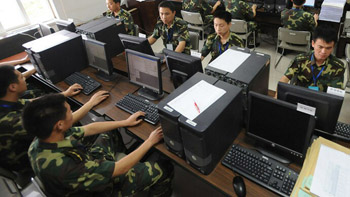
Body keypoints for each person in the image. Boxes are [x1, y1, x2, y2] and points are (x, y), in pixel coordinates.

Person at [23, 93, 173, 196]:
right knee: (164, 168)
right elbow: (120, 168)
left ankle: (129, 159)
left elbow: (89, 128)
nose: (72, 113)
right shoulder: (65, 166)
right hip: (101, 191)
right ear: (60, 124)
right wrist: (149, 141)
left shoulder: (43, 139)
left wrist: (125, 122)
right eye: (69, 111)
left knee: (110, 133)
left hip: (88, 165)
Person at [0, 65, 109, 174]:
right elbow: (64, 121)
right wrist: (91, 103)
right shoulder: (11, 121)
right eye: (21, 77)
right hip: (36, 162)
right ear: (12, 87)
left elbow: (33, 103)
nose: (24, 78)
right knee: (103, 132)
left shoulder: (5, 101)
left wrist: (64, 94)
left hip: (33, 146)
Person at [278, 25, 345, 92]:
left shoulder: (338, 67)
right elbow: (284, 80)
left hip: (321, 99)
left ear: (333, 47)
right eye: (320, 47)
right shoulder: (300, 60)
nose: (323, 52)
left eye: (328, 48)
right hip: (299, 95)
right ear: (313, 43)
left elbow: (335, 94)